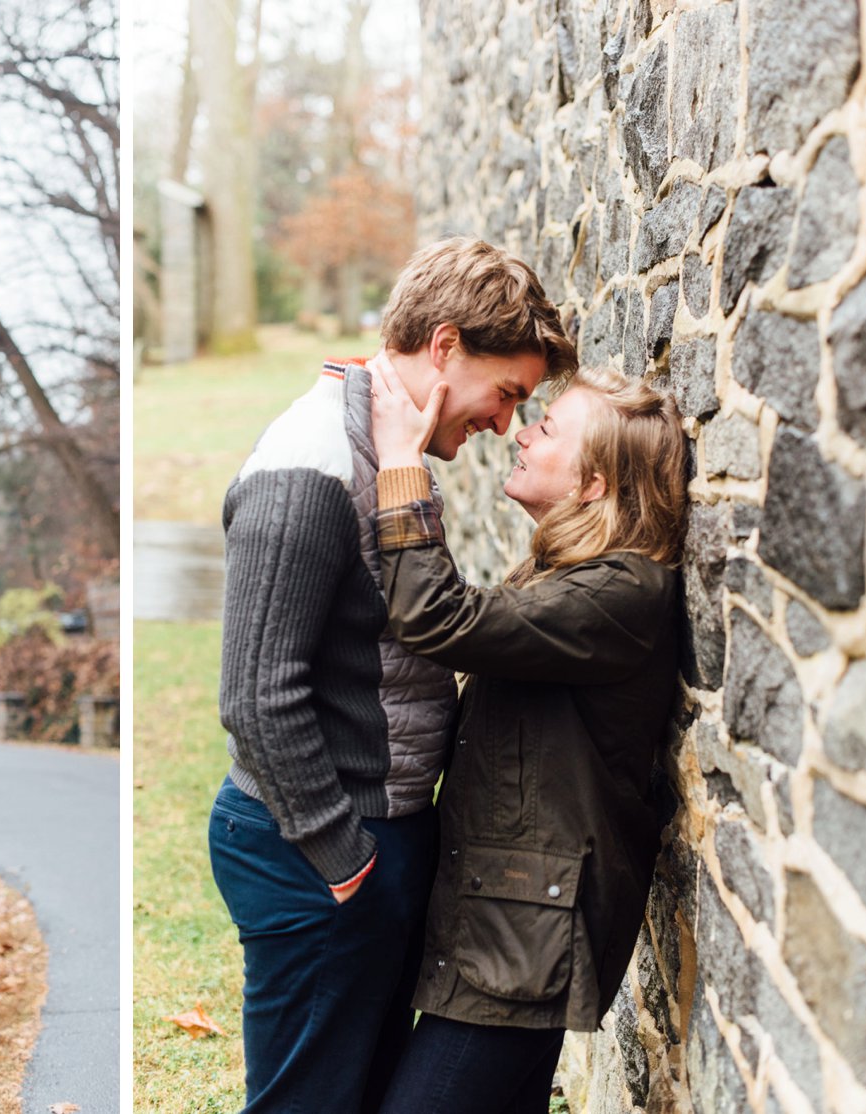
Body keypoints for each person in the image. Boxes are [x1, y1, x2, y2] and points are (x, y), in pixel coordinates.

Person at [208, 237, 577, 1111]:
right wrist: (343, 860)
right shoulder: (311, 466)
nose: (500, 423)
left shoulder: (388, 446)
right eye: (507, 394)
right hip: (316, 848)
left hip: (379, 837)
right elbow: (255, 697)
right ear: (445, 347)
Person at [365, 358, 687, 1113]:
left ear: (594, 484)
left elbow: (439, 619)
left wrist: (400, 464)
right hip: (499, 919)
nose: (521, 433)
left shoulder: (619, 592)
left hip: (522, 937)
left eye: (547, 428)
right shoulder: (573, 573)